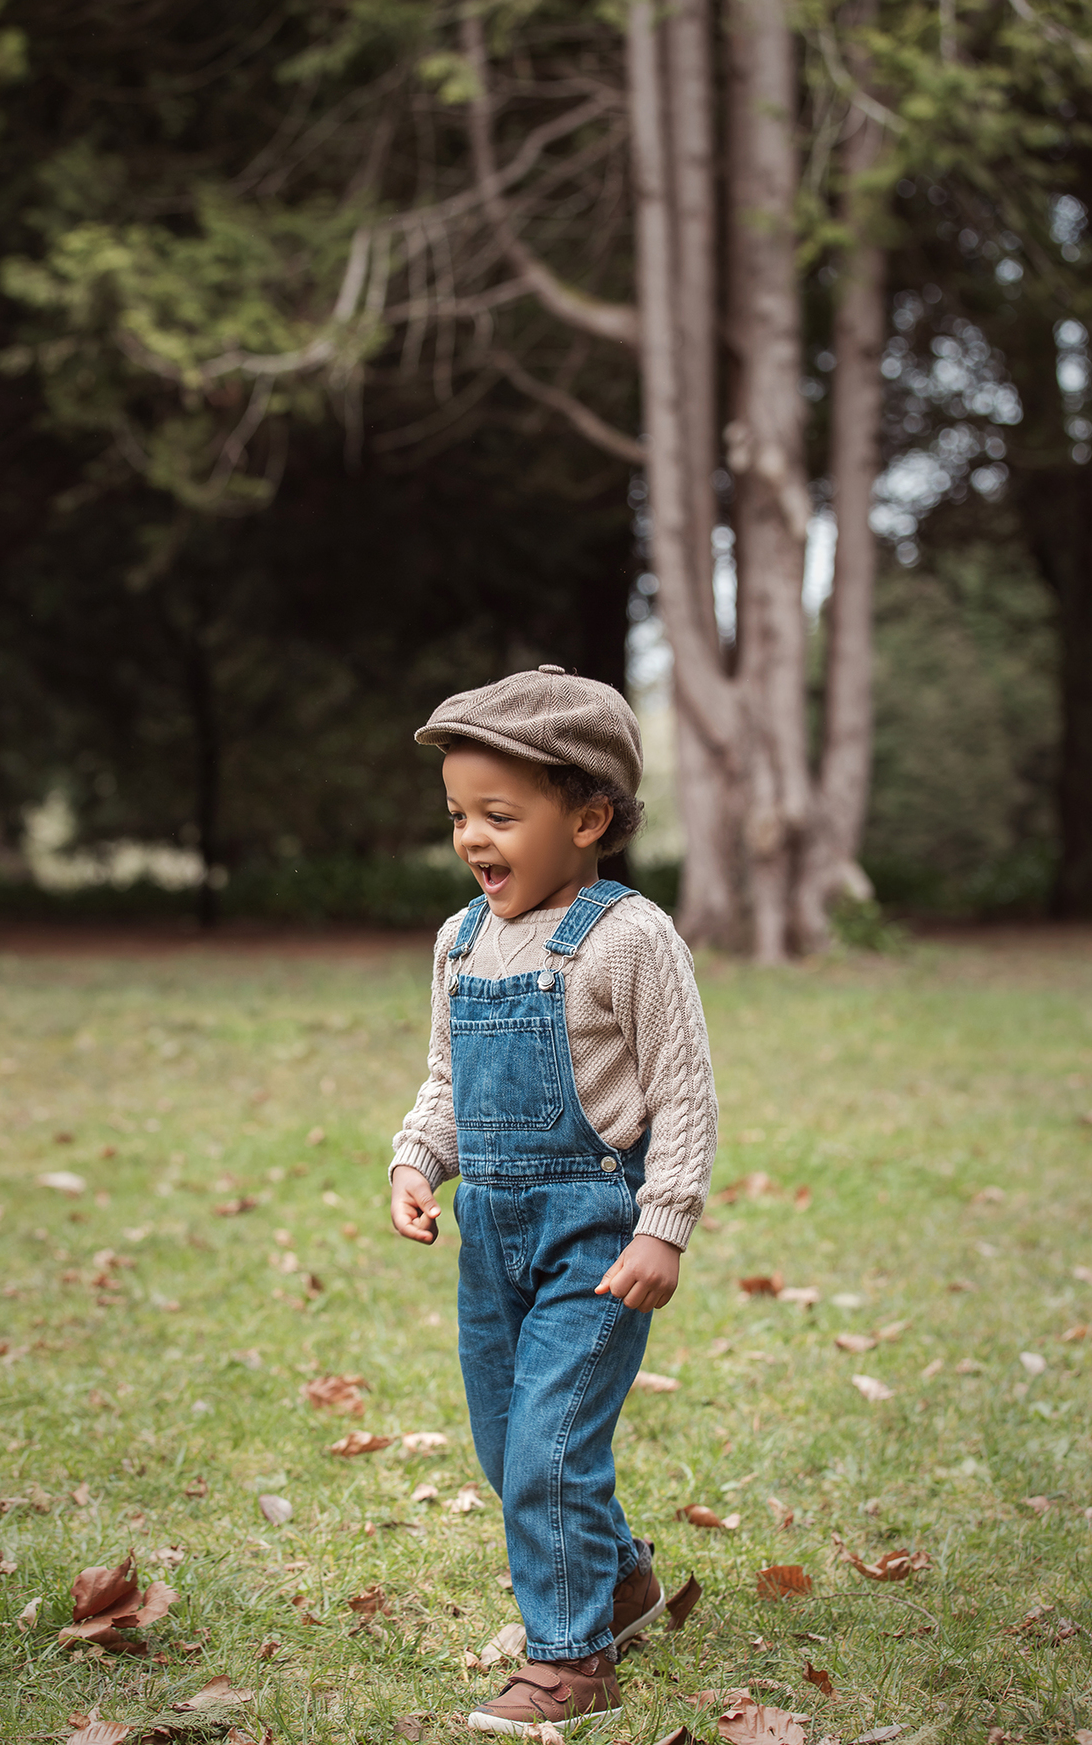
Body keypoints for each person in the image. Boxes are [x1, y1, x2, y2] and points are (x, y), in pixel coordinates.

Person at [389, 664, 718, 1736]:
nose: (473, 839)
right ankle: (621, 1581)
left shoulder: (629, 938)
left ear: (588, 818)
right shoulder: (461, 942)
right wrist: (415, 1161)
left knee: (550, 1444)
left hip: (596, 1234)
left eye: (500, 814)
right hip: (491, 1232)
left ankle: (570, 1660)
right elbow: (446, 1079)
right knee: (506, 1446)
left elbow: (683, 1091)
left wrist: (665, 1228)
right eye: (458, 817)